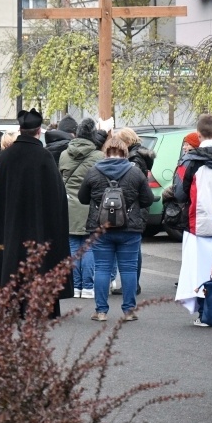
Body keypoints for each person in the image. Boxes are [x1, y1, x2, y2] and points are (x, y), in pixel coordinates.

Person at [0, 108, 73, 318]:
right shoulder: (44, 156)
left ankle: (12, 306)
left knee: (12, 258)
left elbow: (0, 191)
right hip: (39, 221)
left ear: (20, 130)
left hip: (11, 221)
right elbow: (57, 193)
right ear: (38, 131)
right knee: (39, 260)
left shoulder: (6, 156)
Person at [78, 137, 154, 321]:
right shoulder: (135, 173)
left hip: (101, 228)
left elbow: (83, 198)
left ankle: (101, 311)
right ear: (124, 152)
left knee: (102, 268)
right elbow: (148, 200)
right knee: (128, 269)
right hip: (130, 228)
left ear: (106, 152)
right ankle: (129, 311)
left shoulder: (93, 171)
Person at [174, 114, 212, 325]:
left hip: (196, 224)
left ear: (198, 135)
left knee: (197, 270)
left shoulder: (189, 161)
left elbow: (179, 193)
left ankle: (202, 313)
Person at [59, 118, 102, 299]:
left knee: (73, 246)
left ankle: (75, 287)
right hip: (90, 205)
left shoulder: (64, 154)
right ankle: (88, 287)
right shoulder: (98, 157)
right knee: (89, 247)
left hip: (68, 205)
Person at [115, 127, 157, 295]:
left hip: (135, 206)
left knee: (133, 247)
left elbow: (132, 184)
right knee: (134, 245)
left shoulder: (134, 158)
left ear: (126, 142)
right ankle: (132, 283)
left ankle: (132, 285)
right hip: (140, 205)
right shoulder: (140, 156)